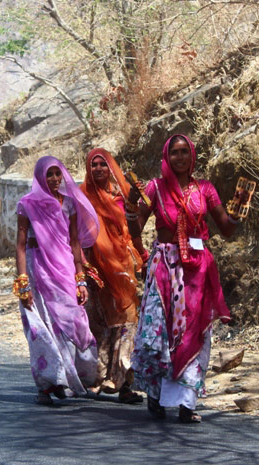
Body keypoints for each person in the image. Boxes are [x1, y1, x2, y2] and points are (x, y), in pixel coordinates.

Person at [128, 134, 240, 423]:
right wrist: (131, 212)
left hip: (197, 269)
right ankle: (155, 395)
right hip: (165, 265)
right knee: (161, 332)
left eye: (184, 152)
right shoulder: (154, 188)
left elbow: (225, 228)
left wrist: (240, 213)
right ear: (167, 156)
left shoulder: (205, 189)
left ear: (192, 156)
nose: (180, 157)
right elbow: (136, 229)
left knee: (194, 332)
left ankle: (187, 403)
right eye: (174, 152)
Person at [14, 156, 100, 405]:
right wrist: (23, 282)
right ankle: (47, 384)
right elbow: (20, 246)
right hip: (36, 270)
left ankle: (64, 379)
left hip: (63, 269)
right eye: (48, 174)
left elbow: (74, 243)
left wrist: (80, 278)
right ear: (40, 176)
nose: (53, 179)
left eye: (57, 174)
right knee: (42, 327)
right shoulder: (27, 204)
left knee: (69, 323)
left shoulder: (69, 204)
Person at [79, 148, 144, 404]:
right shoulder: (82, 197)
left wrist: (140, 254)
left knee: (127, 321)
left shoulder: (123, 196)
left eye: (102, 165)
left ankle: (124, 383)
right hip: (94, 267)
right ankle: (98, 379)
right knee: (100, 323)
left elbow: (134, 227)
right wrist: (81, 266)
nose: (97, 169)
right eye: (93, 165)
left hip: (122, 266)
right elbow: (74, 234)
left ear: (110, 168)